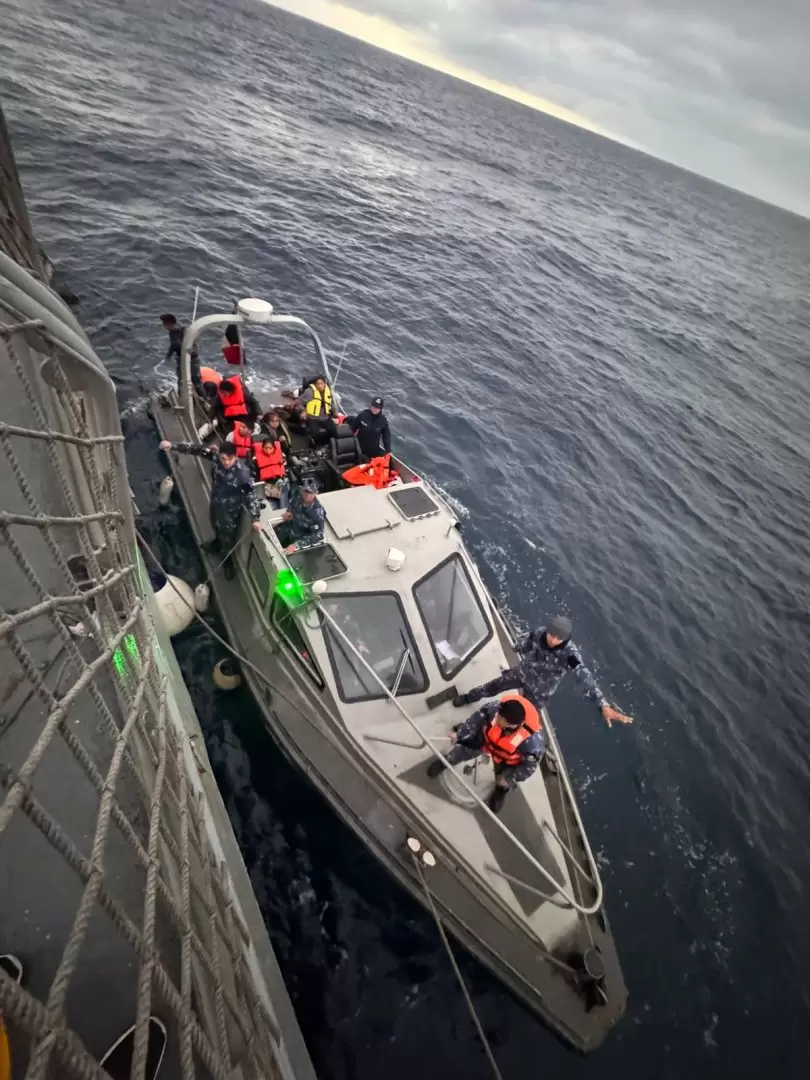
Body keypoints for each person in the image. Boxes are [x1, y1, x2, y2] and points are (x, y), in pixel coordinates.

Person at [453, 614, 632, 729]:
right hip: (523, 673)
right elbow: (528, 644)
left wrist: (602, 703)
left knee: (518, 718)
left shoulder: (570, 654)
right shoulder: (539, 633)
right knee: (492, 686)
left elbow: (583, 675)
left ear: (566, 638)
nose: (554, 640)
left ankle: (494, 731)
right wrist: (519, 648)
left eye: (559, 638)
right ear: (547, 630)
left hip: (540, 692)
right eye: (552, 634)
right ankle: (469, 697)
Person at [158, 439, 261, 579]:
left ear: (236, 456)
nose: (226, 462)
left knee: (227, 539)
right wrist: (173, 446)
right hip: (216, 504)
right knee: (215, 526)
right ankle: (216, 543)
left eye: (229, 459)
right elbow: (196, 448)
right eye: (223, 458)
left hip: (230, 513)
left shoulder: (242, 474)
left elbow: (251, 495)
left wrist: (255, 518)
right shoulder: (216, 457)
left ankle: (227, 561)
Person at [427, 695, 545, 813]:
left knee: (504, 779)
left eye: (501, 719)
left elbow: (529, 768)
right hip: (485, 741)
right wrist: (459, 735)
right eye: (499, 715)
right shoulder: (494, 709)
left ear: (512, 725)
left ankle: (500, 790)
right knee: (461, 752)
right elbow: (474, 721)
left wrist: (510, 779)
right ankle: (446, 762)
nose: (497, 719)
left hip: (507, 758)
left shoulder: (531, 743)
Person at [276, 477, 325, 551]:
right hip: (289, 530)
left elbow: (318, 535)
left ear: (315, 493)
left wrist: (297, 545)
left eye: (311, 493)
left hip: (300, 539)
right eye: (306, 491)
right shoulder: (298, 496)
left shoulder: (317, 512)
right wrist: (289, 511)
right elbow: (292, 504)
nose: (307, 495)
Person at [160, 313, 201, 395]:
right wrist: (168, 355)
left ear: (169, 324)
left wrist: (191, 350)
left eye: (164, 324)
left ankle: (203, 396)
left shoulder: (185, 331)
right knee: (180, 379)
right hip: (180, 358)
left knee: (195, 379)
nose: (164, 326)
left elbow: (192, 344)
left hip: (191, 359)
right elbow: (173, 345)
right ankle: (181, 395)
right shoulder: (171, 332)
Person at [295, 375, 338, 443]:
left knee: (334, 431)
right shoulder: (309, 392)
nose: (320, 386)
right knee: (315, 434)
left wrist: (335, 414)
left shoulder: (328, 391)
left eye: (321, 384)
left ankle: (327, 443)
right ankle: (316, 443)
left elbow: (331, 403)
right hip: (313, 418)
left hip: (325, 417)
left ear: (325, 384)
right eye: (318, 384)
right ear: (315, 384)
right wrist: (303, 411)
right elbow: (298, 402)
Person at [253, 430, 289, 508]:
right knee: (276, 506)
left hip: (281, 482)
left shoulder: (281, 455)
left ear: (274, 448)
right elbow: (255, 472)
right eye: (266, 448)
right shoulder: (255, 459)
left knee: (283, 504)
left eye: (270, 448)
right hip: (268, 485)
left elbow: (285, 465)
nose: (268, 450)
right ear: (262, 448)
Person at [348, 396, 391, 460]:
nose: (375, 409)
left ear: (381, 408)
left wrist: (388, 450)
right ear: (371, 405)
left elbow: (386, 437)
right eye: (374, 406)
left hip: (372, 451)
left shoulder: (383, 421)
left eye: (377, 407)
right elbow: (353, 428)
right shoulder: (363, 415)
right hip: (358, 448)